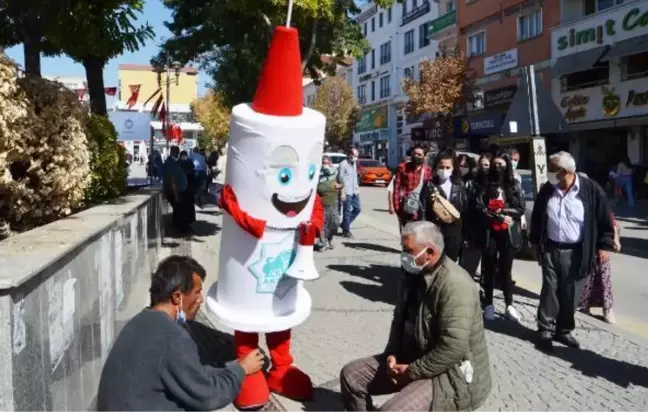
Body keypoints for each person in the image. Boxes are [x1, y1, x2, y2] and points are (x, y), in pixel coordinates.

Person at [340, 221, 491, 412]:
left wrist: (412, 372)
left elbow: (453, 348)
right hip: (411, 359)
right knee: (351, 376)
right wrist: (392, 353)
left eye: (407, 250)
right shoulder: (411, 276)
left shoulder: (455, 284)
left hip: (449, 374)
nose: (403, 256)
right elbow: (399, 321)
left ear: (430, 252)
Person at [97, 256, 265, 412]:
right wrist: (242, 370)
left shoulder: (140, 321)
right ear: (177, 296)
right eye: (197, 292)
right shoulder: (174, 338)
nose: (201, 299)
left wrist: (229, 368)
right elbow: (209, 396)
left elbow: (190, 374)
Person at [530, 151, 615, 352]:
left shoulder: (591, 190)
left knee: (571, 294)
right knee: (550, 290)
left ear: (566, 171)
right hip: (551, 248)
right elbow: (537, 216)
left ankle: (564, 330)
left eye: (552, 170)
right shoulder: (547, 190)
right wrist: (535, 242)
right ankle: (545, 329)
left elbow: (604, 221)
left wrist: (604, 246)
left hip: (578, 251)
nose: (549, 173)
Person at [475, 153, 525, 322]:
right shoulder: (484, 184)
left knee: (506, 270)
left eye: (502, 165)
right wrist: (496, 216)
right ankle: (488, 304)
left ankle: (509, 305)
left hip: (508, 232)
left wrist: (504, 212)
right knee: (488, 269)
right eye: (495, 164)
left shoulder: (514, 185)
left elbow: (521, 208)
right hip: (489, 232)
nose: (498, 168)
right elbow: (479, 206)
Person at [420, 150, 467, 262]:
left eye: (447, 167)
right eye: (441, 167)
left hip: (454, 229)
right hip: (435, 229)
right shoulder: (430, 185)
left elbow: (464, 208)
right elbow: (422, 208)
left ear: (454, 168)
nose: (444, 170)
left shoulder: (459, 185)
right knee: (434, 261)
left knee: (450, 261)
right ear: (436, 167)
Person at [580, 212, 621, 324]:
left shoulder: (599, 199)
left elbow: (611, 222)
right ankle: (584, 306)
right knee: (586, 278)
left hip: (599, 244)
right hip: (583, 245)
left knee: (603, 277)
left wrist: (610, 243)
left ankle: (607, 308)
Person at [460, 154, 491, 279]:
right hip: (473, 227)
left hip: (489, 228)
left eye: (487, 165)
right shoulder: (470, 182)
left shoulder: (493, 183)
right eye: (482, 165)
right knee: (469, 265)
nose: (485, 168)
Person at [392, 146, 432, 232]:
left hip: (421, 209)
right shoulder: (402, 167)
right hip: (406, 208)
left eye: (419, 154)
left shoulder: (428, 170)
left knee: (419, 236)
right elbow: (396, 189)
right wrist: (397, 208)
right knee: (406, 235)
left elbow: (430, 190)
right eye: (414, 153)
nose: (415, 156)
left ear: (424, 157)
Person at [317, 155, 344, 250]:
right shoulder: (318, 174)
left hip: (334, 202)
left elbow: (342, 183)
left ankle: (330, 238)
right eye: (323, 163)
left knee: (335, 222)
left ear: (330, 162)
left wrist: (339, 187)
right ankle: (323, 243)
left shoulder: (335, 172)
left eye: (327, 162)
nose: (325, 164)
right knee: (323, 224)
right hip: (322, 203)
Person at [163, 146, 190, 233]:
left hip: (179, 190)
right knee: (181, 210)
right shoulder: (170, 163)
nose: (178, 154)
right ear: (173, 152)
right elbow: (172, 180)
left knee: (178, 209)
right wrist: (175, 194)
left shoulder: (175, 162)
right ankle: (183, 229)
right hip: (176, 191)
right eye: (177, 152)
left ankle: (176, 225)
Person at [339, 148, 361, 238]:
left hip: (355, 191)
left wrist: (357, 187)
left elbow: (355, 176)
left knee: (357, 209)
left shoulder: (354, 164)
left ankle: (344, 224)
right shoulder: (343, 164)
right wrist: (342, 192)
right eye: (354, 156)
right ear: (349, 155)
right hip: (346, 192)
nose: (356, 158)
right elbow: (340, 179)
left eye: (357, 156)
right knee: (347, 211)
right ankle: (346, 231)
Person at [179, 150, 197, 225]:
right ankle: (190, 219)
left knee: (183, 204)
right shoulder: (190, 162)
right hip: (189, 187)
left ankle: (184, 220)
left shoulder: (179, 162)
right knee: (189, 204)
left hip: (184, 187)